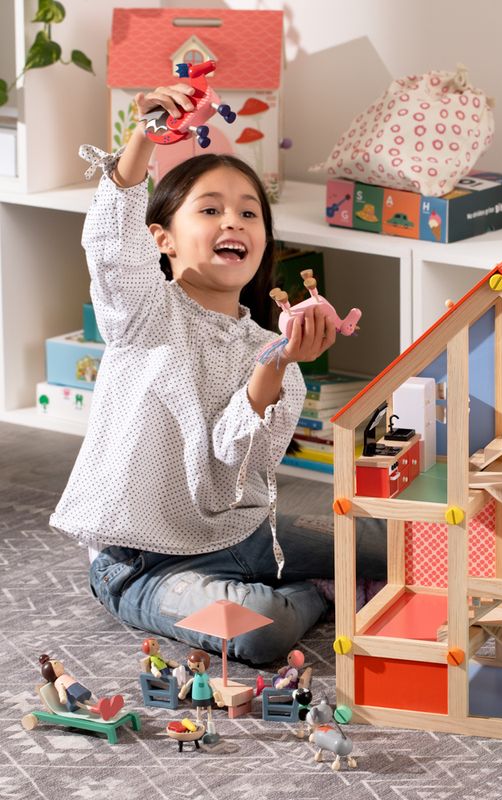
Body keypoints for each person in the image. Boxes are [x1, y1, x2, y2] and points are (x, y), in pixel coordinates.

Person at [49, 82, 386, 665]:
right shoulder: (143, 313)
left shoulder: (271, 348)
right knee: (259, 632)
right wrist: (145, 138)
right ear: (162, 240)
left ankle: (315, 578)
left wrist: (278, 362)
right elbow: (113, 243)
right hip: (142, 565)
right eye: (209, 209)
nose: (234, 221)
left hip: (245, 535)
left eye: (248, 212)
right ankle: (318, 591)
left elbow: (234, 454)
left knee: (391, 541)